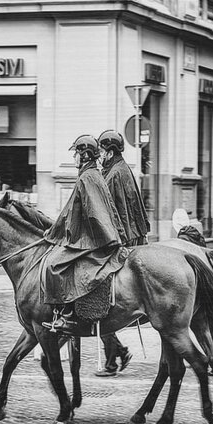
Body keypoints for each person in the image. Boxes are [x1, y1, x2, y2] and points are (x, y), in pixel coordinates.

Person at [42, 135, 128, 334]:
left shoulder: (87, 177)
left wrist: (55, 233)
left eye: (76, 153)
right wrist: (55, 229)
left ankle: (66, 316)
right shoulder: (91, 175)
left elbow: (75, 213)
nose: (73, 157)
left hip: (93, 240)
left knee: (54, 265)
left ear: (85, 155)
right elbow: (72, 212)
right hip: (93, 236)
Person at [93, 129, 150, 376]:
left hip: (121, 241)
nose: (100, 156)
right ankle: (116, 354)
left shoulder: (114, 173)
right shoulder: (119, 169)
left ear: (111, 151)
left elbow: (108, 211)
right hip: (128, 237)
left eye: (102, 151)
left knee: (96, 292)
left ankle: (112, 359)